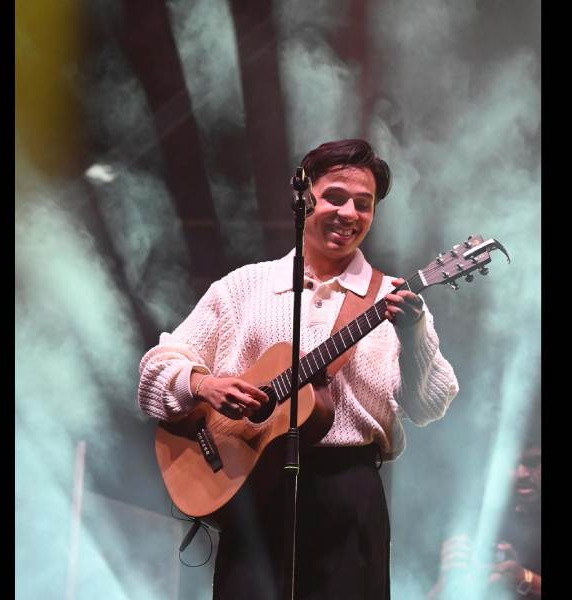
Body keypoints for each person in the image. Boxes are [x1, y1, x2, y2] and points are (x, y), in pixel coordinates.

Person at [138, 139, 459, 599]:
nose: (349, 213)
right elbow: (155, 369)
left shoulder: (393, 299)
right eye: (335, 197)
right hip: (252, 488)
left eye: (363, 205)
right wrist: (202, 383)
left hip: (348, 497)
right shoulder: (245, 287)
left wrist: (414, 334)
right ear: (305, 198)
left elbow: (431, 403)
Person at [427, 434, 542, 599]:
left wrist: (524, 578)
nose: (522, 474)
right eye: (512, 463)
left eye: (533, 463)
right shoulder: (476, 519)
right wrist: (447, 581)